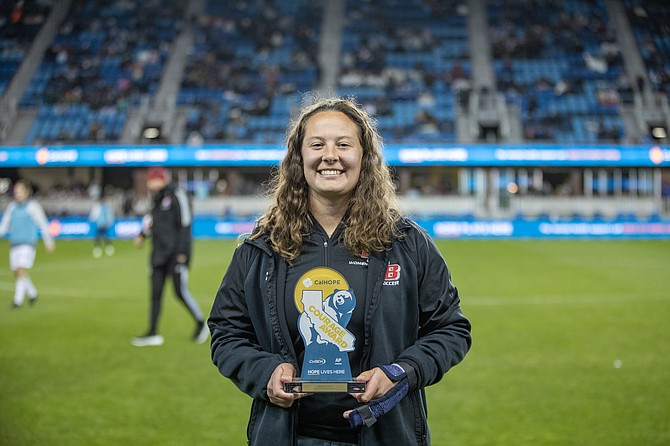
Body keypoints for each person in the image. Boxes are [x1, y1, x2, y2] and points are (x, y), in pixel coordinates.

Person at [208, 96, 472, 445]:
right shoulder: (261, 247)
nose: (329, 155)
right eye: (317, 144)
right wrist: (265, 372)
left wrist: (400, 373)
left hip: (384, 432)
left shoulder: (406, 243)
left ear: (364, 157)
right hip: (288, 436)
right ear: (298, 158)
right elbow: (226, 333)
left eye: (343, 144)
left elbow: (451, 329)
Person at [132, 166, 208, 347]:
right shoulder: (156, 200)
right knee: (155, 294)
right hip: (158, 254)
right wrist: (142, 236)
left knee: (179, 292)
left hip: (175, 255)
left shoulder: (177, 195)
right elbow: (152, 223)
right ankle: (152, 332)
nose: (150, 182)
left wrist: (183, 253)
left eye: (153, 179)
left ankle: (200, 322)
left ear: (161, 179)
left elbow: (185, 224)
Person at [0, 180, 55, 308]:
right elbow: (4, 226)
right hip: (15, 243)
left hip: (27, 243)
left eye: (19, 191)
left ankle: (17, 301)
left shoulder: (32, 206)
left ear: (26, 192)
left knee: (21, 270)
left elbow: (42, 223)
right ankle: (32, 293)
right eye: (15, 191)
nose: (17, 194)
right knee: (17, 272)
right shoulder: (12, 207)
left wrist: (48, 241)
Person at [88, 187, 115, 258]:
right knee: (100, 237)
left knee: (104, 237)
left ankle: (106, 248)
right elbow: (94, 215)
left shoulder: (105, 206)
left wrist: (109, 221)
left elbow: (109, 215)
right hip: (100, 224)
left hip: (103, 224)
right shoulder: (99, 206)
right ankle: (99, 249)